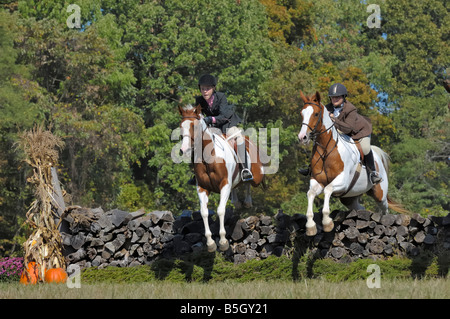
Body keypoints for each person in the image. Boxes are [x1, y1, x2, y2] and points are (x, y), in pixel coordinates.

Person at [299, 83, 382, 184]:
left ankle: (373, 173)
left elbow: (348, 129)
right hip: (340, 130)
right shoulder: (327, 108)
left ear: (343, 97)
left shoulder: (350, 109)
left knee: (365, 148)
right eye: (333, 97)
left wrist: (334, 119)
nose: (335, 99)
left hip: (358, 132)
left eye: (337, 97)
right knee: (319, 141)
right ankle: (311, 167)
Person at [187, 74, 253, 184]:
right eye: (203, 89)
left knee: (239, 138)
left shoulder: (221, 97)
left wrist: (209, 119)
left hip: (227, 124)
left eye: (207, 89)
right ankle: (196, 173)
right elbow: (197, 115)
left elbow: (224, 116)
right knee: (197, 143)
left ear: (213, 89)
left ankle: (245, 169)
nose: (205, 92)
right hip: (213, 128)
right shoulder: (199, 100)